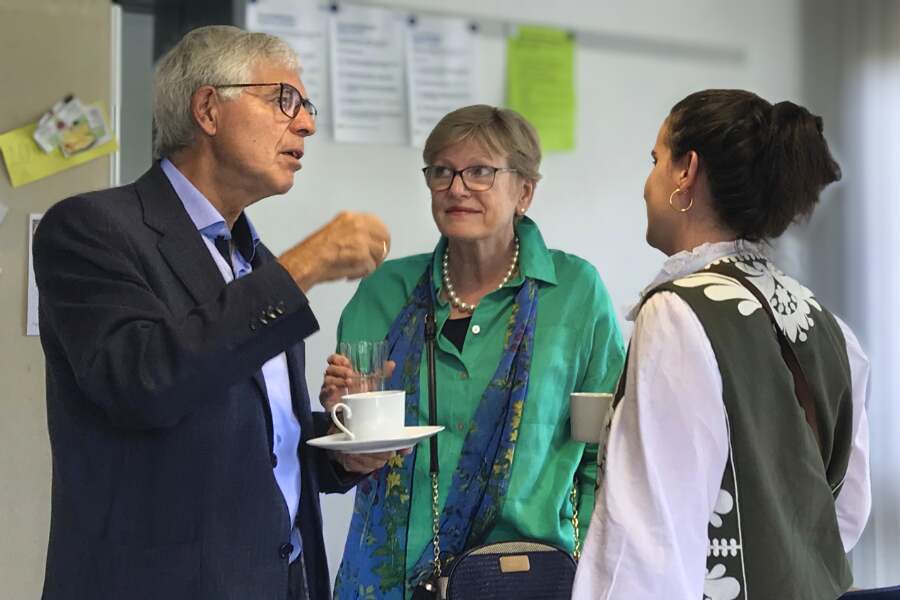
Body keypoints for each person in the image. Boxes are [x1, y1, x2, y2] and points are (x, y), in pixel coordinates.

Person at [33, 25, 394, 600]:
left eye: (307, 107)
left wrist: (345, 451)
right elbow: (144, 383)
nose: (307, 123)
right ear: (208, 108)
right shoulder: (90, 229)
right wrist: (305, 266)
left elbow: (255, 442)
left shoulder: (255, 260)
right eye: (285, 100)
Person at [573, 89, 871, 600]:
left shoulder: (679, 312)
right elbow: (846, 510)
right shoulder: (828, 325)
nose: (648, 183)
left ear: (686, 171)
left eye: (656, 160)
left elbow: (646, 535)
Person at [320, 105, 626, 599]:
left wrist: (592, 572)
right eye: (442, 171)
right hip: (387, 583)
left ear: (524, 191)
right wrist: (344, 418)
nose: (457, 187)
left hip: (524, 580)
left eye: (480, 171)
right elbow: (351, 441)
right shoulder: (385, 291)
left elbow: (605, 451)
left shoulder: (575, 292)